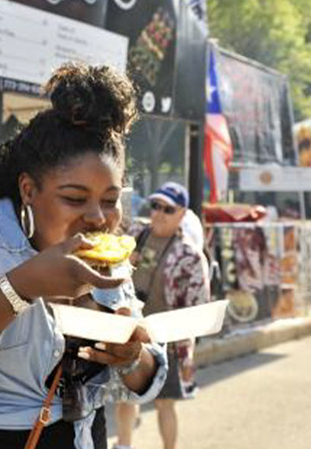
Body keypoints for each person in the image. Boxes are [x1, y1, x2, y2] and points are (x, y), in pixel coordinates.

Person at [0, 64, 167, 449]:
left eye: (110, 201)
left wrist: (130, 355)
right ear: (28, 189)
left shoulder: (108, 251)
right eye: (75, 198)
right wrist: (19, 288)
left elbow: (146, 379)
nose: (97, 217)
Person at [115, 182, 209, 449]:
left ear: (182, 214)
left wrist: (185, 344)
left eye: (168, 209)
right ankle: (123, 445)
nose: (158, 213)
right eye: (155, 206)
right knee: (126, 395)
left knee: (164, 402)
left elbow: (199, 305)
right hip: (131, 330)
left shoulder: (190, 255)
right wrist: (124, 264)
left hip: (168, 338)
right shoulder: (135, 235)